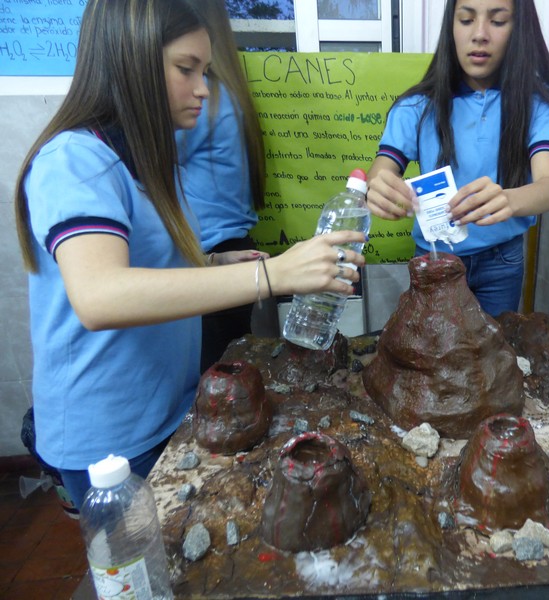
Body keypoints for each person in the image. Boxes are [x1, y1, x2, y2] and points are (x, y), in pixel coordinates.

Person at [14, 0, 364, 509]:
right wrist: (271, 276)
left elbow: (145, 262)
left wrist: (214, 264)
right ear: (131, 62)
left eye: (205, 71)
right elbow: (100, 295)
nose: (203, 89)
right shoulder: (74, 161)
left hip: (169, 408)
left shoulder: (152, 163)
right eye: (186, 69)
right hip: (111, 436)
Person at [366, 0, 549, 317]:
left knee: (496, 347)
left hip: (501, 263)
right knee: (431, 346)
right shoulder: (416, 106)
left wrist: (508, 200)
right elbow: (381, 171)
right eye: (466, 19)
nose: (479, 34)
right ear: (451, 26)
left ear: (519, 28)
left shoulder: (536, 104)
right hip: (434, 258)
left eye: (498, 21)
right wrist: (378, 188)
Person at [177, 0, 279, 374]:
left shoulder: (203, 101)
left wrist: (278, 274)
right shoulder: (226, 95)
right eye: (184, 70)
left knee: (216, 381)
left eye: (197, 70)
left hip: (214, 253)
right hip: (220, 255)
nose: (199, 88)